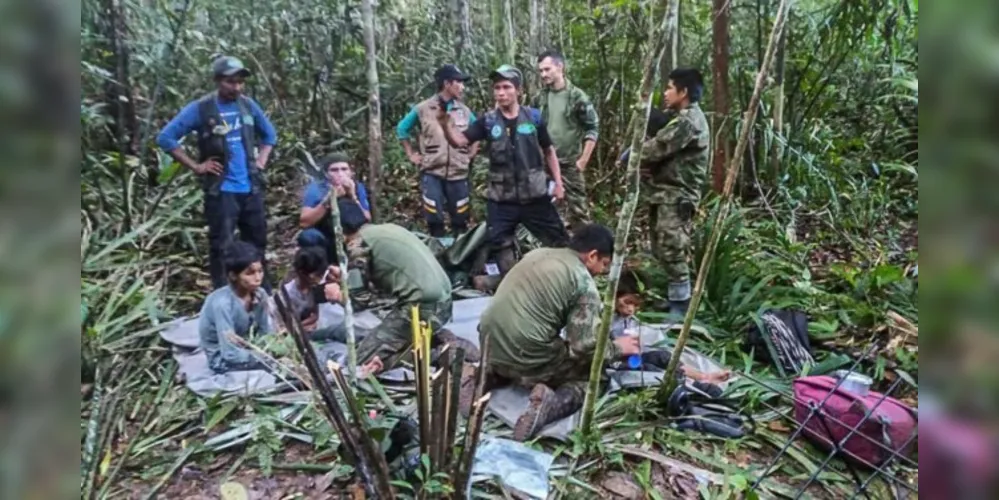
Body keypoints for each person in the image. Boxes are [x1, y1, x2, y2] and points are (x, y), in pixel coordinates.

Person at [466, 224, 642, 441]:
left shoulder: (538, 254)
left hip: (488, 342)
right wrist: (617, 348)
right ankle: (550, 405)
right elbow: (583, 346)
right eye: (604, 264)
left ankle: (485, 376)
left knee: (524, 342)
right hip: (527, 355)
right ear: (592, 255)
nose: (603, 271)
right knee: (594, 378)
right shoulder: (583, 283)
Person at [438, 65, 570, 282]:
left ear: (518, 90)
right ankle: (513, 284)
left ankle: (564, 280)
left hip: (535, 195)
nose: (500, 92)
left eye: (506, 87)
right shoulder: (487, 121)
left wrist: (558, 183)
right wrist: (445, 123)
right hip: (502, 198)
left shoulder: (534, 118)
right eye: (497, 88)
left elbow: (549, 151)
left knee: (558, 240)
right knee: (499, 242)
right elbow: (460, 141)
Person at [157, 55, 278, 290]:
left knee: (257, 241)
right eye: (231, 82)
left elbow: (269, 136)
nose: (237, 87)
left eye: (240, 82)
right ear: (217, 80)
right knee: (222, 245)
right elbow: (166, 138)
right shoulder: (201, 109)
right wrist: (196, 166)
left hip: (250, 187)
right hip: (222, 190)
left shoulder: (248, 105)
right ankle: (224, 294)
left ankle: (263, 292)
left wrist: (261, 161)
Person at [322, 201, 479, 374]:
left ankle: (438, 354)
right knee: (384, 338)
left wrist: (337, 295)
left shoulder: (358, 245)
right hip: (443, 303)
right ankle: (434, 339)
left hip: (421, 308)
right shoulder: (386, 229)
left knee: (360, 361)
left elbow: (359, 302)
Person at [636, 68, 711, 316]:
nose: (665, 93)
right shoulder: (677, 117)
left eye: (669, 88)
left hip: (677, 196)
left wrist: (634, 156)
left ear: (684, 92)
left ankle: (681, 308)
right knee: (661, 247)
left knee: (673, 249)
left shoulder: (688, 122)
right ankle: (674, 298)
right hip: (664, 192)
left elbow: (654, 149)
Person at [609, 268, 730, 387]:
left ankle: (703, 378)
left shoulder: (627, 320)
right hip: (612, 363)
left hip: (631, 358)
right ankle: (691, 385)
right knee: (649, 369)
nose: (631, 309)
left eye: (636, 305)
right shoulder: (604, 318)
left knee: (663, 357)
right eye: (627, 302)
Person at [397, 64, 480, 237]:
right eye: (459, 82)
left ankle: (459, 254)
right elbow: (402, 129)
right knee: (434, 216)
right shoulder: (423, 108)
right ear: (447, 84)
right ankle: (437, 252)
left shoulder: (464, 111)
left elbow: (477, 132)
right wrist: (411, 154)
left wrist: (471, 153)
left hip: (458, 173)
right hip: (432, 171)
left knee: (460, 217)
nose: (462, 87)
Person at [533, 50, 600, 231]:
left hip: (570, 163)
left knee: (578, 211)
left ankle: (585, 251)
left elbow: (592, 128)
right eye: (541, 71)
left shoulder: (577, 97)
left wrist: (583, 161)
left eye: (547, 69)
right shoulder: (540, 98)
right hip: (545, 163)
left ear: (560, 67)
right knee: (543, 209)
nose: (543, 75)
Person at [198, 241, 275, 373]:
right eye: (250, 273)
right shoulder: (222, 304)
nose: (258, 278)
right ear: (233, 275)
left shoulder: (260, 294)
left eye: (260, 271)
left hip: (250, 348)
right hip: (222, 358)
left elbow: (265, 332)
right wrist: (262, 357)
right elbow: (229, 353)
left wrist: (271, 348)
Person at [298, 153, 371, 263]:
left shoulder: (357, 186)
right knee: (308, 237)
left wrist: (353, 196)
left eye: (344, 169)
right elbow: (304, 222)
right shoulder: (317, 188)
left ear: (351, 172)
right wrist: (329, 200)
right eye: (334, 170)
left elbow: (367, 218)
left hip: (353, 235)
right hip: (326, 233)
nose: (340, 174)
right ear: (326, 174)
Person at [282, 246, 359, 344]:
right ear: (302, 273)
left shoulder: (323, 281)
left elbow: (316, 315)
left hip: (326, 323)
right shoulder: (289, 293)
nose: (320, 279)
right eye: (317, 276)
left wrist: (342, 281)